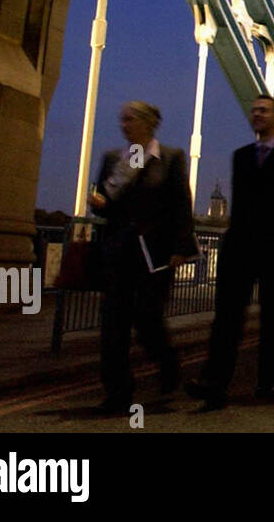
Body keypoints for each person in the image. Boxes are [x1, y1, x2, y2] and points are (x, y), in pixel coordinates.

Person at [186, 94, 274, 409]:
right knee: (226, 319)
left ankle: (267, 380)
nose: (256, 115)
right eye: (253, 110)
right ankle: (214, 384)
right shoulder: (240, 156)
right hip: (238, 251)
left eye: (264, 110)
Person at [87, 101, 197, 415]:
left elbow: (181, 203)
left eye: (130, 119)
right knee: (113, 324)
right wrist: (96, 202)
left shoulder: (171, 158)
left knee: (148, 319)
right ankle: (117, 393)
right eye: (121, 119)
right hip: (119, 251)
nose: (124, 124)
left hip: (156, 254)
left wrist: (181, 247)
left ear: (149, 123)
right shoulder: (113, 159)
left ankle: (167, 363)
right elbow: (105, 203)